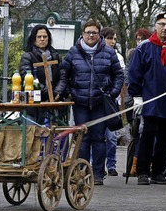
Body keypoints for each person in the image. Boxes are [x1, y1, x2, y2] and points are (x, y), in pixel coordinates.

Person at [60, 19, 124, 186]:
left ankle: (97, 174)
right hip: (80, 102)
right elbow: (63, 74)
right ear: (82, 34)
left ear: (99, 34)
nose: (91, 35)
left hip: (99, 103)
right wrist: (68, 92)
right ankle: (81, 171)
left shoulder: (109, 53)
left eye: (94, 32)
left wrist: (112, 93)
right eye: (88, 32)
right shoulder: (73, 52)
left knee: (98, 139)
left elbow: (119, 75)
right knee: (82, 139)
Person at [128, 12, 166, 186]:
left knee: (165, 136)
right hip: (150, 99)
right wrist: (136, 95)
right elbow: (134, 72)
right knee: (147, 134)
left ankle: (158, 171)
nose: (165, 28)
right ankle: (142, 171)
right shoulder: (144, 48)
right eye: (162, 24)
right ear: (156, 26)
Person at [19, 24, 67, 124]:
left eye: (45, 37)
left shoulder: (55, 56)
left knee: (52, 134)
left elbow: (63, 76)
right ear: (34, 39)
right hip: (33, 102)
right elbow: (28, 78)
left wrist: (56, 93)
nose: (42, 39)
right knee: (31, 133)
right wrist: (47, 92)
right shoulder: (27, 56)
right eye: (39, 37)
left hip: (54, 101)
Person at [126, 27, 153, 177]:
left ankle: (143, 164)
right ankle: (133, 165)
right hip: (135, 99)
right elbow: (129, 75)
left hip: (150, 97)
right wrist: (135, 95)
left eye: (142, 38)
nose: (139, 42)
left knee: (145, 132)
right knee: (136, 133)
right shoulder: (133, 54)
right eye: (137, 39)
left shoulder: (150, 51)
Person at [101, 26, 125, 176]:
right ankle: (95, 164)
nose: (113, 41)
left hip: (112, 101)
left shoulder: (118, 57)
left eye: (115, 38)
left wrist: (114, 93)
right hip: (98, 100)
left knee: (111, 136)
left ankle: (111, 164)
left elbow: (120, 77)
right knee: (97, 135)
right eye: (110, 38)